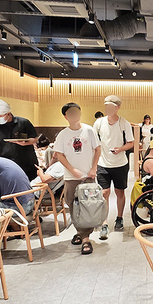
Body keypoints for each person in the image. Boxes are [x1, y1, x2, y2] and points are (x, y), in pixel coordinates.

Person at [52, 102, 101, 255]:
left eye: (76, 112)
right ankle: (80, 232)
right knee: (72, 204)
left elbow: (98, 149)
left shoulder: (89, 130)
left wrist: (93, 168)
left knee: (88, 206)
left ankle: (85, 238)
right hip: (70, 177)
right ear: (66, 116)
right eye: (71, 113)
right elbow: (59, 155)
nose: (74, 115)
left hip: (88, 176)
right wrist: (73, 170)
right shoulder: (63, 134)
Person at [93, 94, 134, 239]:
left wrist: (120, 149)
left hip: (120, 164)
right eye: (106, 106)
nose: (108, 109)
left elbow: (131, 143)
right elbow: (93, 141)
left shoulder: (124, 123)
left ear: (118, 107)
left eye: (111, 106)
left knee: (120, 192)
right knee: (104, 193)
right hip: (103, 164)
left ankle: (119, 217)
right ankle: (104, 223)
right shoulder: (99, 123)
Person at [0, 99, 40, 181]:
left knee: (31, 187)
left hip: (27, 164)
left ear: (8, 113)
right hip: (6, 167)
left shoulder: (24, 123)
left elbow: (35, 139)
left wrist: (25, 142)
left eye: (0, 116)